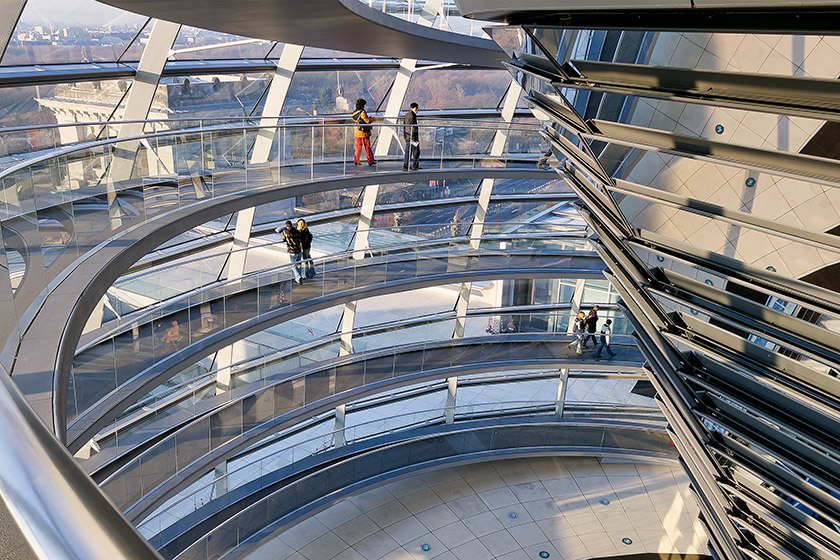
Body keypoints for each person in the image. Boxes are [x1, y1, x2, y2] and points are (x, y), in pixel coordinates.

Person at [276, 220, 303, 284]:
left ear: (286, 226)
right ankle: (298, 277)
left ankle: (298, 277)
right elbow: (300, 238)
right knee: (298, 264)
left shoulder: (285, 232)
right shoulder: (297, 231)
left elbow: (283, 239)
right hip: (298, 249)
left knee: (293, 265)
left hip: (292, 251)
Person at [352, 98, 376, 166]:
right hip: (364, 133)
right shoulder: (362, 112)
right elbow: (367, 121)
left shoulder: (354, 113)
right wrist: (371, 119)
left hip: (357, 132)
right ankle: (370, 160)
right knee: (367, 147)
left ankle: (356, 160)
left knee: (358, 147)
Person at [403, 102, 420, 170]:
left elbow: (406, 127)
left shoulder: (407, 115)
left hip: (407, 136)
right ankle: (415, 165)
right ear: (412, 108)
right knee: (416, 151)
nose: (417, 110)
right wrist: (413, 138)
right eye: (416, 108)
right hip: (412, 137)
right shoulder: (412, 116)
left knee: (408, 151)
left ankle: (406, 165)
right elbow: (411, 127)